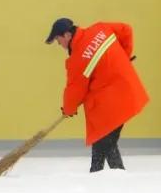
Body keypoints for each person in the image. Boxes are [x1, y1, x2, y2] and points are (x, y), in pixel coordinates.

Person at [45, 17, 149, 172]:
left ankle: (119, 179)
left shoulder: (77, 58)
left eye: (58, 40)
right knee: (102, 142)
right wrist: (124, 56)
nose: (59, 44)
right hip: (128, 90)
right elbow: (126, 30)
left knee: (105, 142)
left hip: (112, 104)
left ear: (67, 35)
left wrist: (68, 109)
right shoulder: (100, 29)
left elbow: (75, 89)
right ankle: (96, 176)